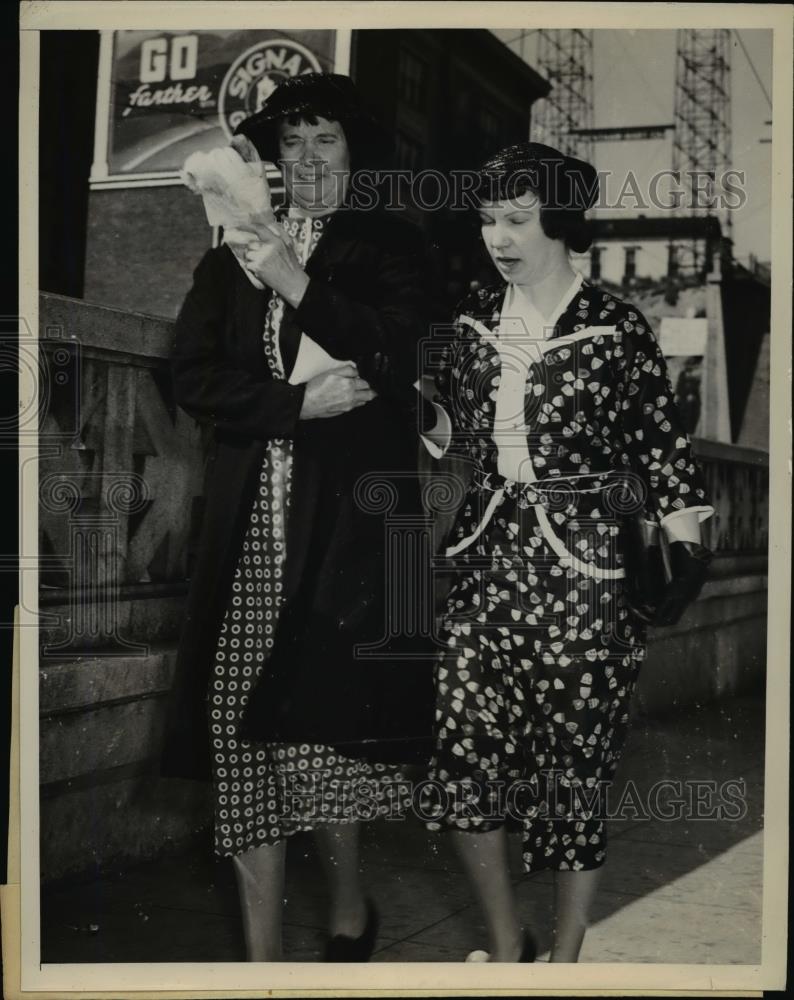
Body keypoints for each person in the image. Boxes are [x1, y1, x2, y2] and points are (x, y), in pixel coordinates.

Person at [162, 73, 434, 963]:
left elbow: (395, 359)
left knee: (320, 745)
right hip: (248, 538)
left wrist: (287, 270)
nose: (308, 158)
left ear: (354, 153)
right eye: (292, 142)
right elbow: (189, 374)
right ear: (271, 156)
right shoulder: (224, 257)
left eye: (326, 141)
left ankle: (351, 909)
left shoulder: (391, 248)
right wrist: (291, 406)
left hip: (345, 539)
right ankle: (263, 962)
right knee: (240, 742)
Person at [419, 142, 714, 962]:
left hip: (589, 564)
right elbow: (460, 440)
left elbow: (660, 448)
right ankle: (508, 947)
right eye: (487, 221)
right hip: (486, 553)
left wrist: (687, 551)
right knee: (464, 749)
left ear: (560, 222)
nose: (498, 238)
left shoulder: (617, 326)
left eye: (517, 220)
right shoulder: (473, 322)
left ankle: (566, 958)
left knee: (572, 766)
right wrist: (412, 408)